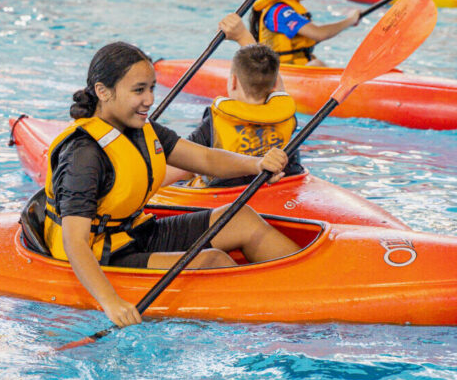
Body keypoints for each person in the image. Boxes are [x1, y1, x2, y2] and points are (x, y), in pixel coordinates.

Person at [37, 42, 301, 327]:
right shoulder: (84, 154)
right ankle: (283, 312)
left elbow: (206, 159)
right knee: (211, 260)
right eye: (139, 90)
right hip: (104, 252)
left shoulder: (139, 128)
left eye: (152, 88)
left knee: (241, 219)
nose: (150, 99)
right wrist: (111, 302)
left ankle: (308, 283)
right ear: (103, 92)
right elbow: (74, 241)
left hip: (134, 232)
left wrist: (256, 163)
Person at [163, 15, 304, 188]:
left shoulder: (214, 124)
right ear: (274, 83)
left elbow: (171, 171)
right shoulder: (286, 114)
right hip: (282, 187)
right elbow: (277, 84)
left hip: (225, 194)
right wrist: (242, 36)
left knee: (192, 165)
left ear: (234, 81)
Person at [248, 0, 362, 67]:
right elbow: (319, 34)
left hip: (294, 70)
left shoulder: (289, 9)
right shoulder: (280, 12)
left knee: (315, 61)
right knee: (317, 65)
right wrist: (350, 20)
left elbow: (313, 37)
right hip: (282, 75)